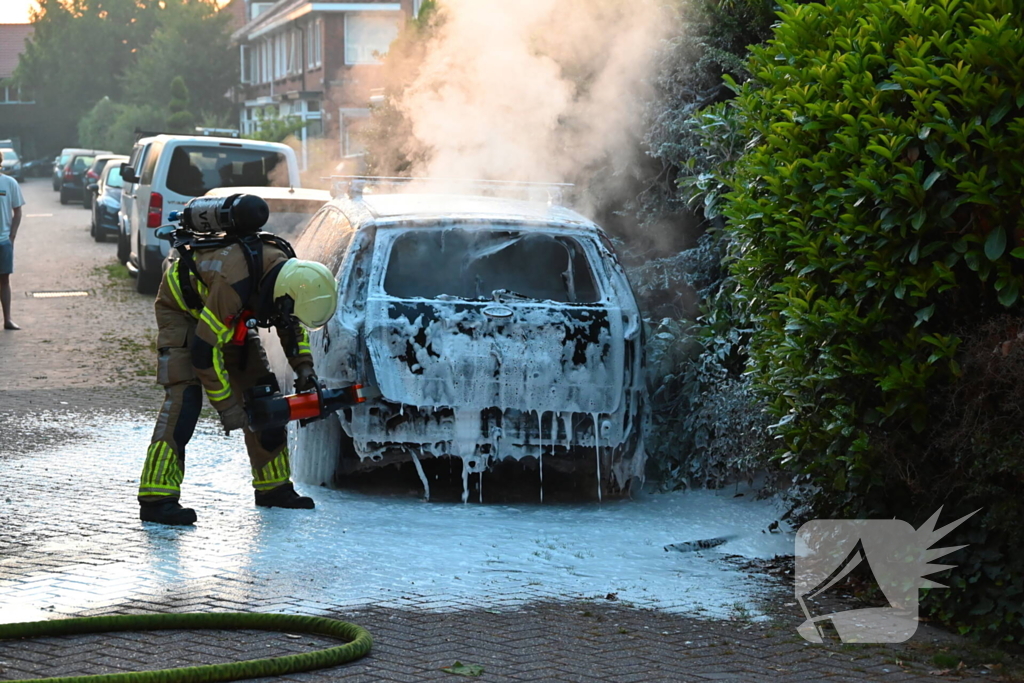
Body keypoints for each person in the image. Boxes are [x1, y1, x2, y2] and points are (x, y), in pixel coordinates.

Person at [138, 234, 338, 526]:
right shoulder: (234, 282)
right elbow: (204, 354)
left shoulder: (290, 279)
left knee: (264, 396)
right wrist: (228, 409)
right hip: (184, 312)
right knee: (185, 402)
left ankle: (274, 488)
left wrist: (305, 369)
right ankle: (157, 498)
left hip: (228, 318)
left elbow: (290, 324)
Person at [0, 150, 25, 331]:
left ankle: (7, 319)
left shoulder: (9, 183)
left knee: (4, 280)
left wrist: (12, 236)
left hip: (3, 241)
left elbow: (17, 211)